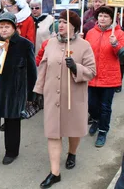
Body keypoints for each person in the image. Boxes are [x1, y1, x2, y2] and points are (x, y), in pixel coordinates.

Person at [34, 10, 96, 188]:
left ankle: (72, 152)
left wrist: (76, 67)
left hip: (74, 97)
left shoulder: (84, 45)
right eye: (59, 21)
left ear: (74, 26)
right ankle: (55, 173)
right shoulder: (50, 43)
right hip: (53, 96)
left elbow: (92, 71)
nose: (60, 25)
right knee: (53, 134)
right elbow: (44, 68)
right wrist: (37, 91)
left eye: (64, 22)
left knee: (73, 130)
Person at [0, 12, 37, 169]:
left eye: (7, 27)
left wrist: (31, 95)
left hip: (14, 92)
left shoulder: (25, 45)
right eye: (1, 27)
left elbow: (32, 71)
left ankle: (11, 152)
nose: (4, 30)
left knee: (12, 124)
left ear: (14, 27)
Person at [86, 6, 124, 147]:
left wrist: (116, 44)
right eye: (100, 15)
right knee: (91, 104)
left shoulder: (119, 34)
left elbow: (122, 57)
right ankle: (95, 120)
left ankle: (103, 131)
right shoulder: (90, 32)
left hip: (109, 78)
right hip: (91, 76)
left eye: (106, 16)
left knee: (105, 107)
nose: (102, 18)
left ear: (112, 19)